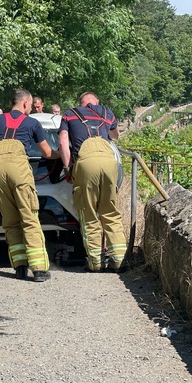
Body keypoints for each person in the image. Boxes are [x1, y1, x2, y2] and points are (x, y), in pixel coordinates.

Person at [0, 89, 60, 282]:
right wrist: (61, 154)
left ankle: (20, 268)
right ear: (27, 104)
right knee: (29, 217)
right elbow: (46, 152)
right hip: (18, 168)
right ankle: (38, 269)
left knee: (10, 220)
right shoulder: (32, 123)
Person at [58, 91, 127, 272]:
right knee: (110, 211)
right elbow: (115, 135)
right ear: (96, 101)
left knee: (88, 213)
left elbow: (63, 142)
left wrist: (67, 169)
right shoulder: (106, 111)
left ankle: (95, 263)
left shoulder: (69, 114)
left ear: (80, 103)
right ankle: (119, 260)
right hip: (109, 162)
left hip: (86, 163)